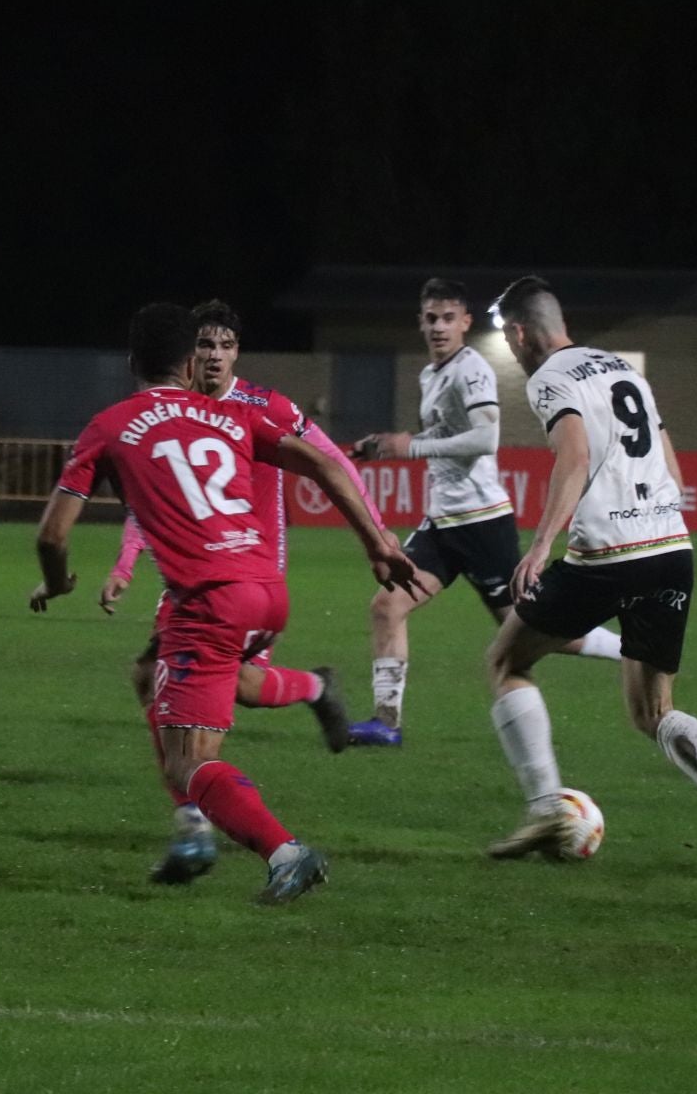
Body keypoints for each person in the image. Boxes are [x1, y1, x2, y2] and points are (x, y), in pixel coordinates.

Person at [30, 303, 416, 905]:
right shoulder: (230, 417)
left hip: (210, 600)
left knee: (190, 765)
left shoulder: (108, 426)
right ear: (189, 361)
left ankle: (275, 850)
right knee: (173, 681)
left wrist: (55, 584)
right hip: (268, 590)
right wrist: (377, 541)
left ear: (132, 362)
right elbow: (321, 461)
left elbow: (52, 536)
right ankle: (309, 696)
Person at [483, 275, 697, 878]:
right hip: (669, 545)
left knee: (507, 661)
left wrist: (541, 546)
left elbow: (575, 454)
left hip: (608, 553)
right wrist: (661, 517)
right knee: (653, 710)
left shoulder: (550, 378)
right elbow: (666, 455)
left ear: (518, 332)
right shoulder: (621, 368)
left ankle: (546, 807)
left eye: (508, 338)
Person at [101, 300, 389, 760]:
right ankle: (316, 687)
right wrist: (125, 563)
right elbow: (149, 501)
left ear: (237, 353)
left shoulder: (265, 406)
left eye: (227, 345)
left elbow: (331, 462)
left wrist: (377, 531)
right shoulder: (169, 412)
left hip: (252, 574)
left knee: (184, 690)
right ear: (187, 354)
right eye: (205, 344)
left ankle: (195, 811)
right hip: (195, 572)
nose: (215, 354)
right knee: (222, 683)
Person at [347, 277, 622, 747]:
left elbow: (484, 439)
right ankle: (386, 722)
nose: (438, 327)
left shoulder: (472, 368)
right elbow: (440, 439)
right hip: (443, 525)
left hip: (482, 524)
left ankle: (629, 647)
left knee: (533, 629)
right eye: (431, 318)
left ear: (465, 323)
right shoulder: (430, 376)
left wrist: (408, 446)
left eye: (448, 318)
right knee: (387, 605)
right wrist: (389, 445)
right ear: (421, 321)